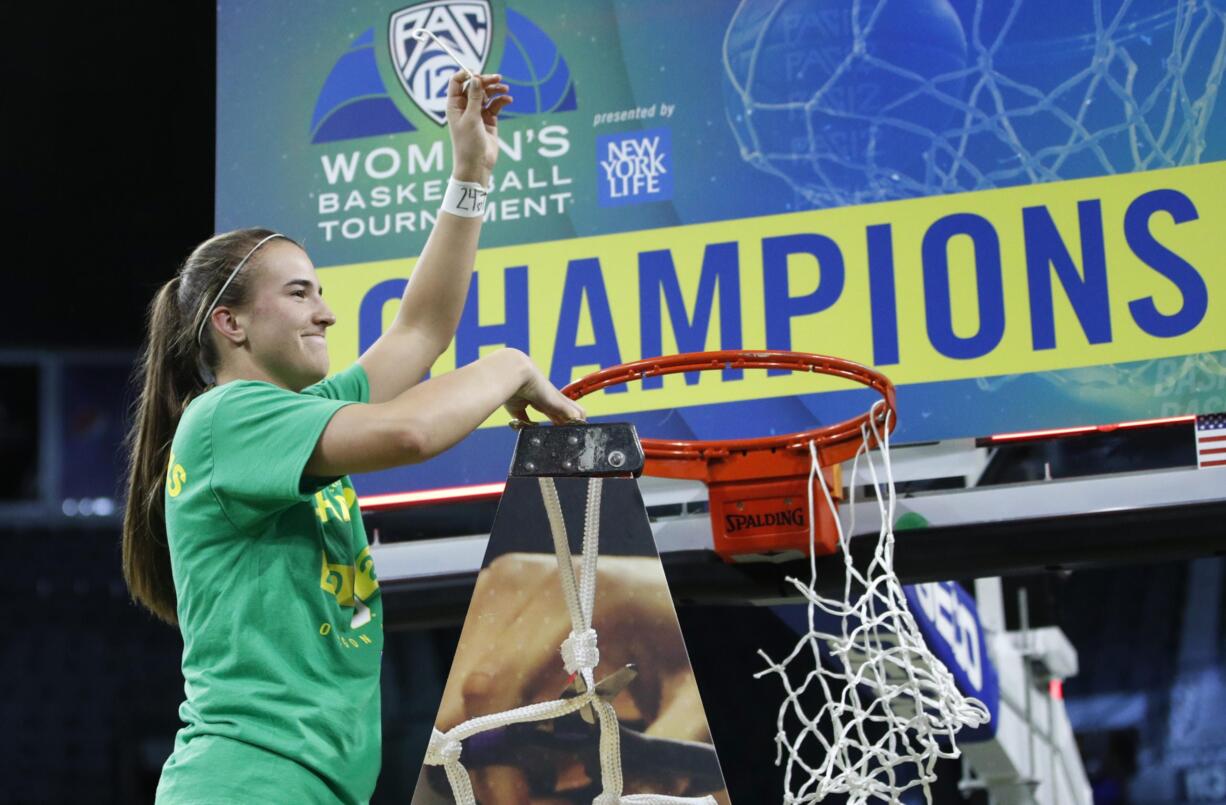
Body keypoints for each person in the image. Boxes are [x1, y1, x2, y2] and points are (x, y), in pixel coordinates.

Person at [121, 71, 585, 804]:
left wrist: (470, 173)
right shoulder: (225, 419)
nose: (327, 313)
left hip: (307, 787)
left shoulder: (294, 419)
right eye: (300, 292)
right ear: (230, 322)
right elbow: (408, 430)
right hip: (247, 784)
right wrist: (509, 364)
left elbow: (422, 330)